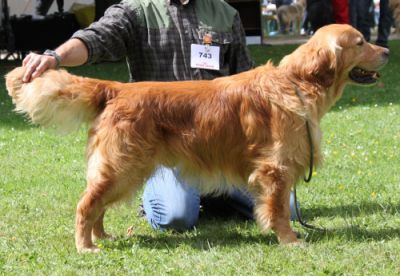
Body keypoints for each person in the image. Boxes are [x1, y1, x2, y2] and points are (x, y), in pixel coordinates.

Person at [22, 0, 299, 232]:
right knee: (176, 216)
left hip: (220, 145)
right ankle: (186, 196)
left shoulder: (225, 13)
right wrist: (55, 57)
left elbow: (248, 80)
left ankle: (211, 193)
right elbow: (95, 38)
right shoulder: (136, 10)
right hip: (163, 143)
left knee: (290, 210)